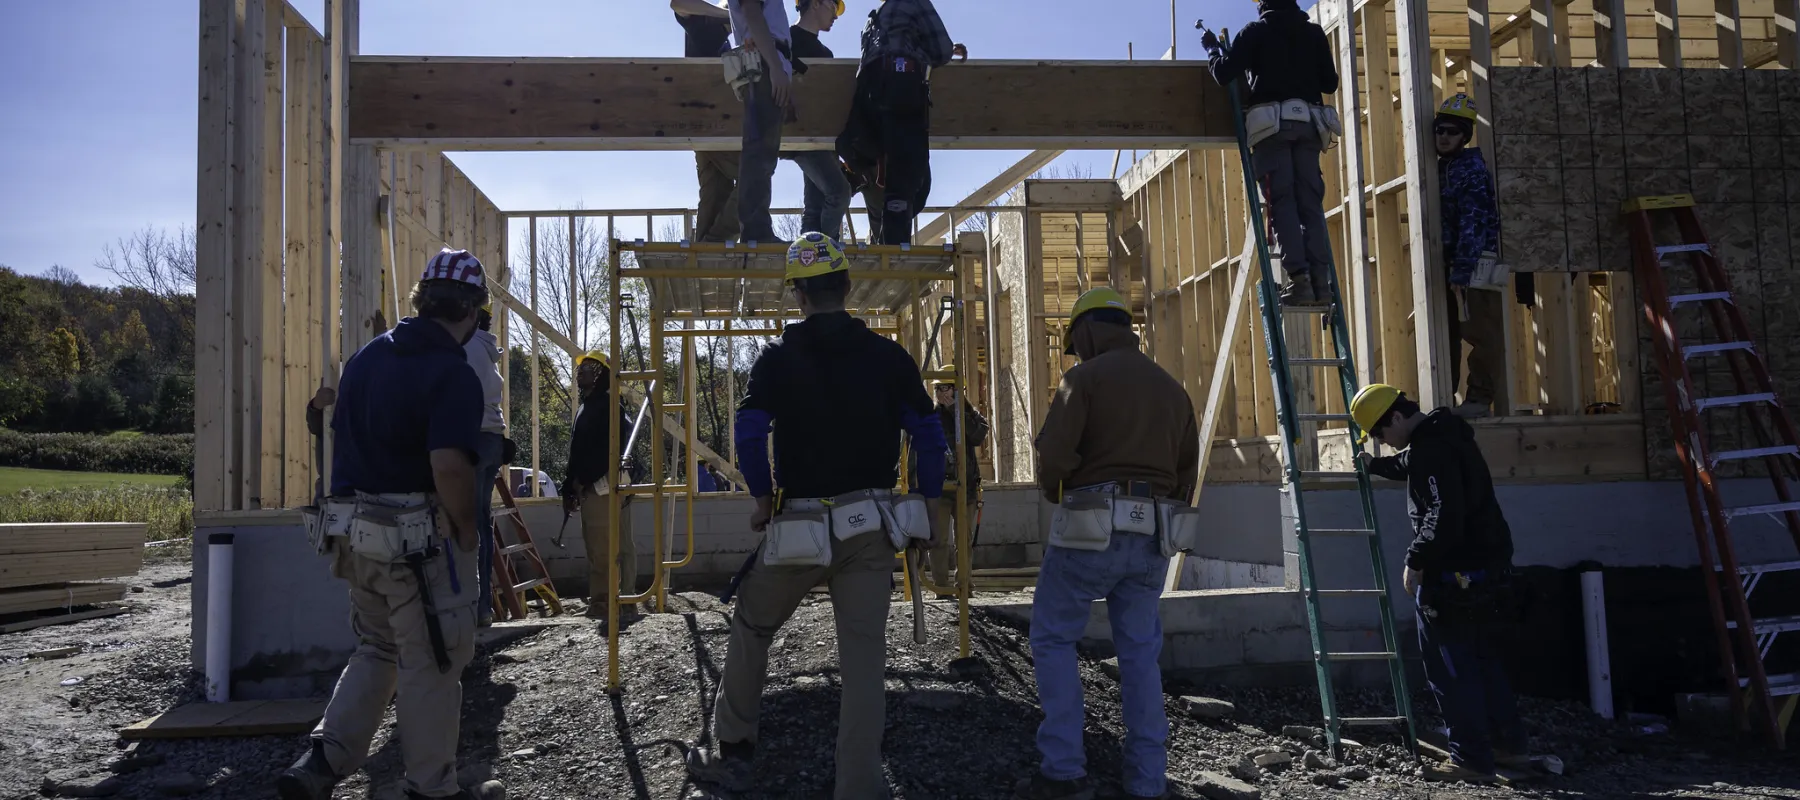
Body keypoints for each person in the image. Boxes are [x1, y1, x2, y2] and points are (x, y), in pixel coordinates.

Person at [687, 232, 948, 799]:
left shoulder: (778, 359)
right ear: (847, 287)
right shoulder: (887, 357)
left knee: (754, 626)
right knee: (862, 655)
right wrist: (929, 504)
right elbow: (930, 437)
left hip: (799, 527)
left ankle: (734, 750)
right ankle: (858, 785)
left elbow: (750, 432)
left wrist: (761, 497)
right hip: (871, 525)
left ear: (798, 297)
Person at [277, 249, 502, 800]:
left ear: (421, 301)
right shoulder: (453, 373)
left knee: (377, 648)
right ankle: (432, 787)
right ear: (474, 311)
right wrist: (468, 529)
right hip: (417, 547)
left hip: (355, 538)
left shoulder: (367, 358)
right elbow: (449, 466)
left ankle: (323, 761)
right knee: (433, 662)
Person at [1019, 287, 1199, 800]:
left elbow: (1053, 461)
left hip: (1091, 526)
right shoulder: (1173, 390)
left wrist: (1059, 492)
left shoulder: (1083, 379)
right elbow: (1186, 472)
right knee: (1140, 655)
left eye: (1077, 341)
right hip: (1153, 534)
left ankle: (1064, 771)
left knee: (1054, 639)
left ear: (1088, 331)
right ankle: (1146, 782)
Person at [1350, 383, 1528, 784]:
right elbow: (1409, 464)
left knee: (1451, 668)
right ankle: (1509, 745)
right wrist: (1373, 466)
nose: (1382, 443)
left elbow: (1444, 511)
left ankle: (1471, 758)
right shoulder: (1444, 435)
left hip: (1454, 575)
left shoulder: (1431, 448)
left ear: (1395, 418)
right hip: (1487, 567)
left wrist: (1416, 561)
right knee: (1483, 659)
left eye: (1379, 434)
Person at [1203, 0, 1340, 306]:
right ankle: (1321, 281)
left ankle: (1300, 281)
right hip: (1309, 126)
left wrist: (1213, 50)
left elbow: (1225, 74)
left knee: (1282, 202)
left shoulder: (1255, 32)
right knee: (1310, 204)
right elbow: (1330, 82)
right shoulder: (1313, 32)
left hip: (1272, 129)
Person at [838, 0, 965, 244]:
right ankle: (894, 253)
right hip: (900, 88)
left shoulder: (874, 18)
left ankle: (859, 176)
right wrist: (944, 51)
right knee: (909, 177)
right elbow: (940, 50)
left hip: (868, 96)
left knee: (901, 179)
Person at [1435, 93, 1504, 419]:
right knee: (1445, 334)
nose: (1443, 136)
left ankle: (1478, 401)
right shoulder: (1442, 169)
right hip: (1450, 264)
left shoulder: (1471, 172)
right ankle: (1444, 399)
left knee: (1481, 334)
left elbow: (1474, 222)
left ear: (1465, 136)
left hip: (1476, 264)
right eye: (1439, 130)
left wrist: (1463, 268)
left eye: (1451, 131)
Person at [563, 350, 638, 621]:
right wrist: (568, 488)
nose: (579, 373)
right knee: (607, 547)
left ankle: (608, 604)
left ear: (600, 374)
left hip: (602, 489)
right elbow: (577, 451)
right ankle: (621, 601)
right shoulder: (587, 407)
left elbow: (611, 450)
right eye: (580, 369)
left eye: (587, 368)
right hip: (596, 488)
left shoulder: (607, 407)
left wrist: (583, 480)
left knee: (607, 549)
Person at [785, 0, 854, 239]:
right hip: (795, 135)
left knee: (814, 207)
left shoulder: (825, 54)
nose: (836, 16)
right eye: (833, 8)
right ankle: (825, 251)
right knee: (839, 191)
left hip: (821, 139)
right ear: (815, 4)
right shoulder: (785, 40)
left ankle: (808, 264)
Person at [674, 0, 742, 242]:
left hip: (707, 129)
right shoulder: (705, 28)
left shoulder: (723, 42)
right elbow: (678, 3)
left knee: (715, 192)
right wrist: (726, 13)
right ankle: (714, 243)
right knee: (755, 173)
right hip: (709, 126)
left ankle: (705, 255)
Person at [727, 0, 795, 243]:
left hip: (769, 60)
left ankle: (756, 228)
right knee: (760, 152)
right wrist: (776, 68)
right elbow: (753, 14)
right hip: (765, 62)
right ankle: (756, 230)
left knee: (764, 152)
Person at [924, 370, 988, 593]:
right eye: (938, 389)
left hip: (966, 487)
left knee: (964, 540)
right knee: (939, 540)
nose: (941, 393)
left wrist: (955, 410)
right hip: (940, 488)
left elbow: (978, 435)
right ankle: (941, 586)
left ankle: (964, 584)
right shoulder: (931, 416)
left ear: (957, 390)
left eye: (946, 388)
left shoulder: (970, 415)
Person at [466, 303, 507, 627]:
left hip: (473, 439)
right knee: (481, 522)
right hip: (492, 440)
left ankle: (469, 605)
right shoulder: (486, 346)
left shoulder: (463, 346)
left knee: (461, 523)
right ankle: (482, 608)